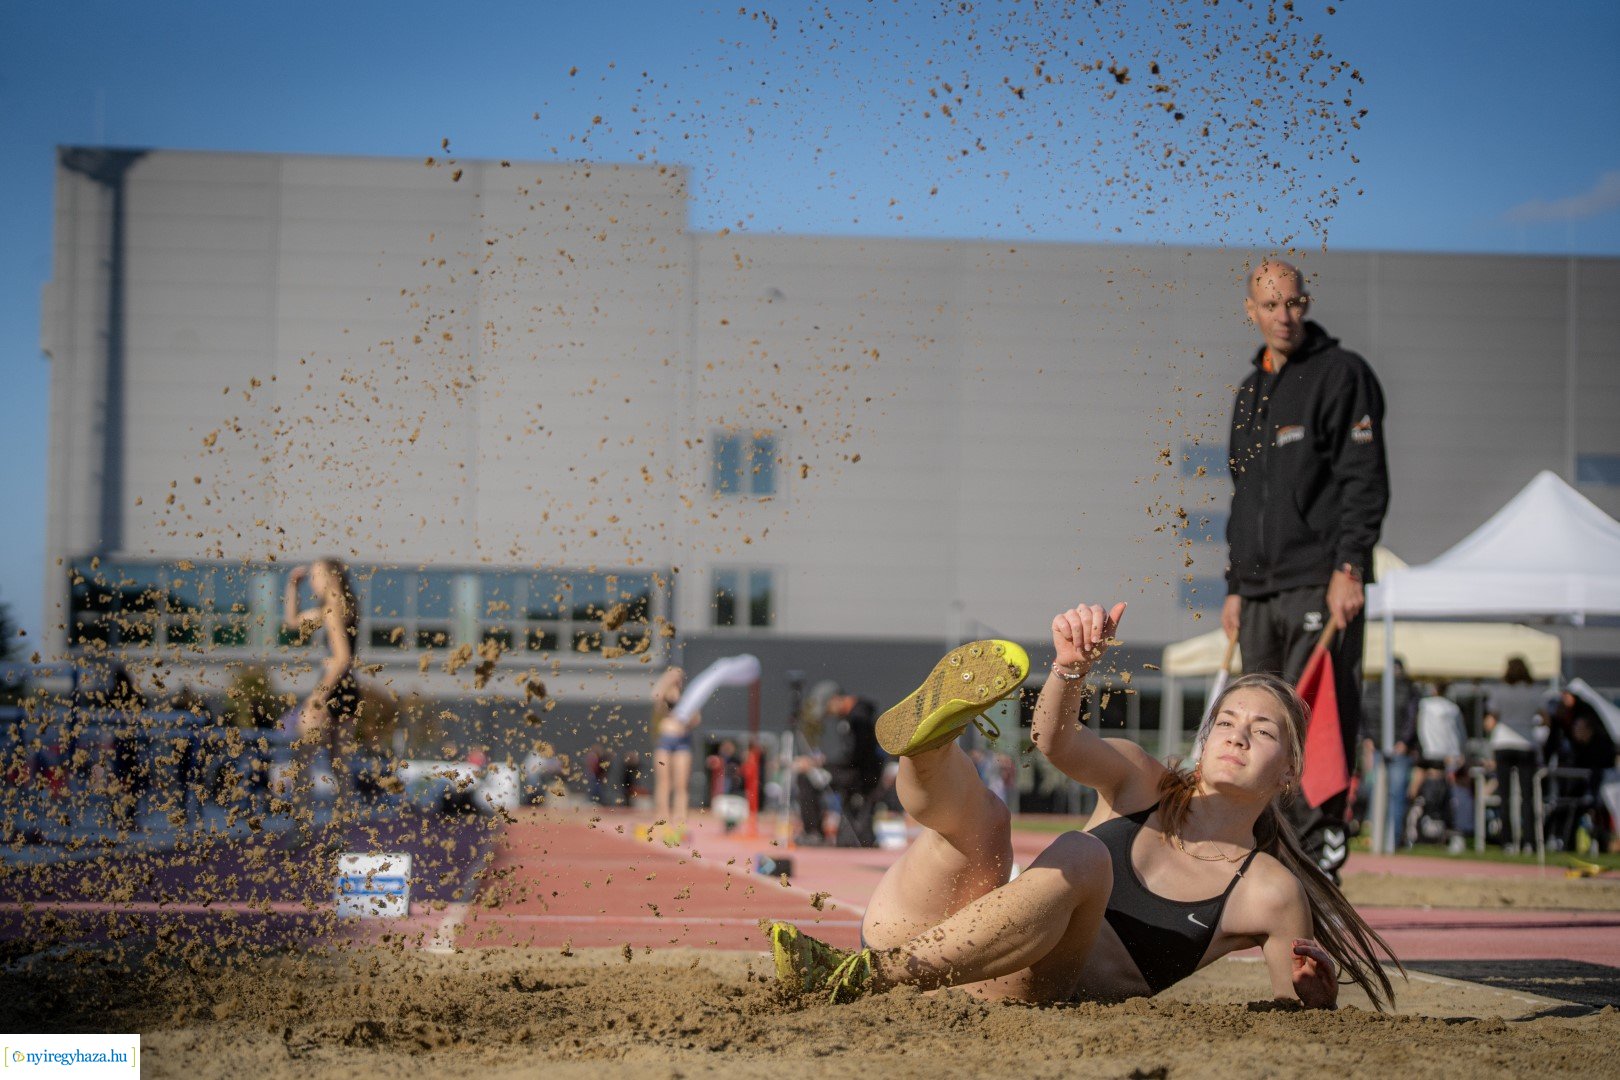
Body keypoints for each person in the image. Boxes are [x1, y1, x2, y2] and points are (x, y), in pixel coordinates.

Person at [772, 603, 1398, 1010]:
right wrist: (1070, 672)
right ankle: (927, 749)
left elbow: (1296, 1012)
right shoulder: (1142, 779)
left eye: (1261, 732)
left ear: (1289, 772)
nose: (1236, 734)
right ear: (1204, 741)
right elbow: (1057, 741)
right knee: (985, 821)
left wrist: (1316, 995)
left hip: (1020, 987)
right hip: (927, 937)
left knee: (1082, 855)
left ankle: (867, 975)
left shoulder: (1268, 890)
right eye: (1227, 721)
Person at [1221, 259, 1389, 878]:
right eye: (1270, 306)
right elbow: (1243, 497)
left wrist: (1351, 566)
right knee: (1255, 724)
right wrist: (1236, 588)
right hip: (1260, 590)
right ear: (1250, 310)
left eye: (1293, 303)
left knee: (1309, 721)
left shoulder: (1342, 375)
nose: (1283, 317)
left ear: (1306, 302)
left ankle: (1321, 856)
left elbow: (1363, 480)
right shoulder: (1249, 393)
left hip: (1319, 578)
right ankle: (1269, 859)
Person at [282, 559, 361, 808]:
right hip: (348, 689)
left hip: (331, 688)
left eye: (316, 576)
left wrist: (319, 695)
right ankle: (342, 832)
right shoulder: (342, 608)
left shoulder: (331, 612)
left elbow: (342, 659)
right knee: (340, 765)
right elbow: (294, 622)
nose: (313, 582)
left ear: (331, 578)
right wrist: (293, 586)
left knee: (302, 757)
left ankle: (300, 826)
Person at [1484, 656, 1544, 853]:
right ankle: (1529, 842)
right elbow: (1546, 719)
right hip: (1527, 744)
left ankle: (1508, 842)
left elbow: (1490, 722)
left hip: (1503, 743)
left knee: (1505, 796)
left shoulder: (1500, 691)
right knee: (1528, 796)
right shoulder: (1534, 691)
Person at [824, 690, 883, 847]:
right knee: (860, 810)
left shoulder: (859, 718)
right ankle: (854, 838)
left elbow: (858, 752)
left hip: (863, 774)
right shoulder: (857, 716)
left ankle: (856, 839)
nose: (832, 715)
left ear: (836, 699)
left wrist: (829, 765)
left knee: (861, 809)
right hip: (864, 771)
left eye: (830, 708)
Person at [650, 667, 695, 827]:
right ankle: (662, 816)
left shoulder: (687, 697)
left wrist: (686, 717)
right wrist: (667, 679)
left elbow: (696, 719)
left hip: (682, 741)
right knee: (664, 782)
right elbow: (655, 696)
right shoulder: (663, 697)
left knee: (681, 784)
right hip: (665, 740)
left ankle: (680, 818)